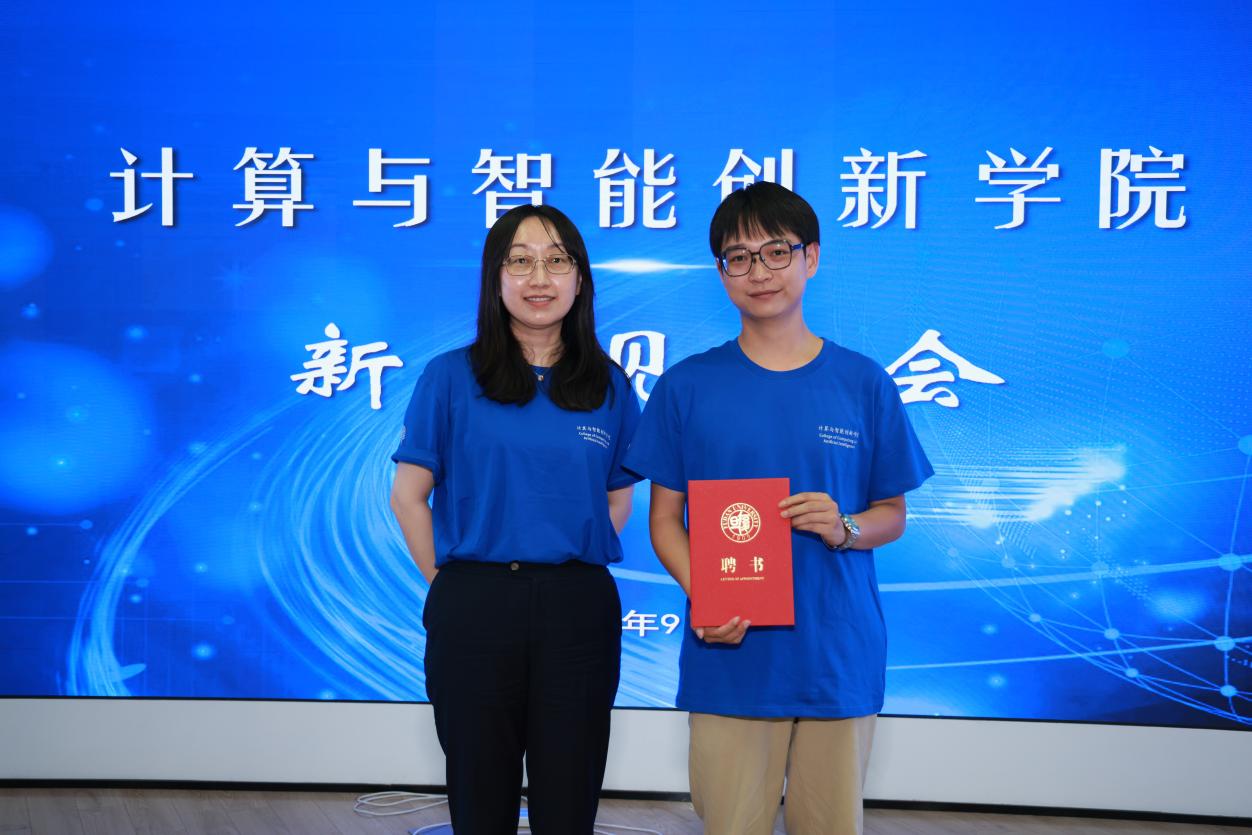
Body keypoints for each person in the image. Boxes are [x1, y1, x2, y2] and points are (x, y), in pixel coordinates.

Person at [623, 182, 933, 835]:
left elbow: (892, 513)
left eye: (776, 251)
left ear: (811, 257)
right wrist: (707, 594)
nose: (758, 271)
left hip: (836, 652)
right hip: (730, 654)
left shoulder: (863, 382)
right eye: (739, 257)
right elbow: (665, 520)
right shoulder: (687, 385)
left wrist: (844, 527)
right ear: (721, 272)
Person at [389, 204, 640, 834]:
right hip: (475, 602)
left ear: (580, 279)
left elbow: (616, 499)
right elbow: (408, 496)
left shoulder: (609, 384)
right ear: (494, 278)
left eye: (557, 261)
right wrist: (447, 582)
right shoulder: (451, 377)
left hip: (577, 606)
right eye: (520, 261)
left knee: (569, 794)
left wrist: (566, 548)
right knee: (480, 793)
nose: (539, 278)